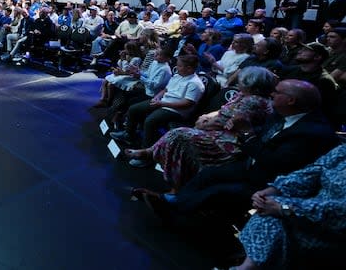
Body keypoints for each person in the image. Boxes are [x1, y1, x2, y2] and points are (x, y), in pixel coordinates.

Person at [136, 80, 340, 220]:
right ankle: (174, 200)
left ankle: (174, 210)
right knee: (208, 175)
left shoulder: (311, 131)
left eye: (277, 92)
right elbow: (263, 136)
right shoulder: (282, 114)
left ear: (291, 100)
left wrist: (247, 133)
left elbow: (275, 163)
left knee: (219, 190)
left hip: (273, 181)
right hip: (252, 164)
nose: (271, 94)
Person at [123, 67, 274, 191]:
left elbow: (230, 122)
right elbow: (223, 111)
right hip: (218, 130)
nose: (238, 82)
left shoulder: (254, 102)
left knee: (178, 135)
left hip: (228, 142)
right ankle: (152, 156)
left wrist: (204, 122)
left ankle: (153, 157)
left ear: (252, 84)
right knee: (173, 133)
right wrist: (208, 116)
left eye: (242, 81)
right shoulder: (243, 95)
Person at [232, 144, 346, 270]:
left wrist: (284, 208)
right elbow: (311, 172)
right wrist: (274, 189)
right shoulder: (342, 150)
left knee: (272, 216)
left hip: (333, 229)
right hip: (304, 211)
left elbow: (340, 211)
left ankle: (248, 266)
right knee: (268, 207)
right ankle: (248, 264)